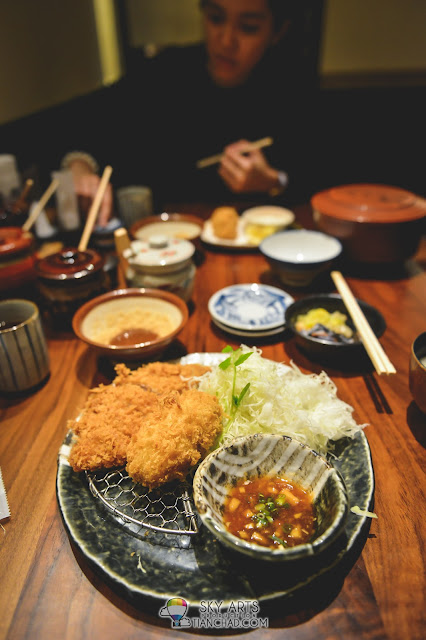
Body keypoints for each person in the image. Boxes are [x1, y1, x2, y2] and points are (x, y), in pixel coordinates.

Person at [64, 0, 316, 224]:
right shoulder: (163, 73)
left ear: (277, 32)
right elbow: (85, 121)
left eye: (248, 27)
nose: (226, 40)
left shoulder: (292, 89)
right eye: (216, 18)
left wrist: (273, 182)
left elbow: (314, 178)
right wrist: (79, 167)